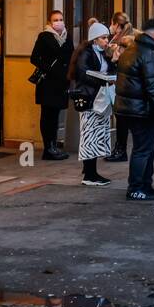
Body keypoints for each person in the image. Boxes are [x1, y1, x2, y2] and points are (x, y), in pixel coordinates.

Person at [113, 18, 154, 201]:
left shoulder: (132, 49)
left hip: (131, 108)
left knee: (147, 148)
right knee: (143, 149)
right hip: (142, 110)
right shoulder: (149, 55)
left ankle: (146, 185)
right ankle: (136, 188)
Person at [67, 22, 116, 186]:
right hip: (90, 99)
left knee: (97, 135)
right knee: (90, 136)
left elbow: (109, 70)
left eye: (107, 38)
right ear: (94, 39)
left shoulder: (101, 53)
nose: (106, 41)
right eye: (103, 38)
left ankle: (91, 172)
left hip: (99, 99)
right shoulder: (86, 53)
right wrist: (102, 80)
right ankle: (89, 174)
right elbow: (83, 74)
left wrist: (113, 61)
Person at [29, 9, 73, 161]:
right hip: (48, 82)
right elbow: (34, 58)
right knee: (47, 115)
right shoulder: (44, 37)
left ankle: (54, 146)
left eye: (60, 19)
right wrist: (49, 68)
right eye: (55, 19)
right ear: (50, 22)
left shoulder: (67, 37)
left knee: (55, 115)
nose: (59, 22)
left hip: (61, 83)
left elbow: (71, 56)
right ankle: (48, 148)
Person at [106, 12, 135, 163]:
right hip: (122, 82)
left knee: (122, 118)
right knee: (122, 117)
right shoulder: (120, 36)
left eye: (112, 23)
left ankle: (120, 150)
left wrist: (113, 55)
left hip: (124, 82)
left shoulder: (126, 38)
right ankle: (119, 148)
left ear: (116, 24)